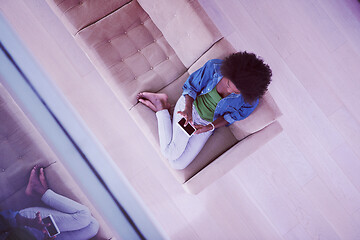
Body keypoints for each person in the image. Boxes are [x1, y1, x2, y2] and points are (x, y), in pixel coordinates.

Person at [137, 52, 272, 170]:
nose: (230, 90)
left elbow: (230, 117)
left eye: (236, 91)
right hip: (189, 107)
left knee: (177, 165)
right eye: (228, 84)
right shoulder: (214, 67)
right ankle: (160, 106)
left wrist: (209, 127)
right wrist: (188, 110)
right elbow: (191, 88)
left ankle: (163, 108)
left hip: (206, 125)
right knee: (170, 153)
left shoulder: (250, 100)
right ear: (228, 71)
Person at [0, 166, 99, 240]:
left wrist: (29, 222)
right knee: (93, 226)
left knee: (84, 215)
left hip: (30, 225)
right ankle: (41, 194)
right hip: (50, 238)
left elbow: (5, 220)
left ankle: (39, 190)